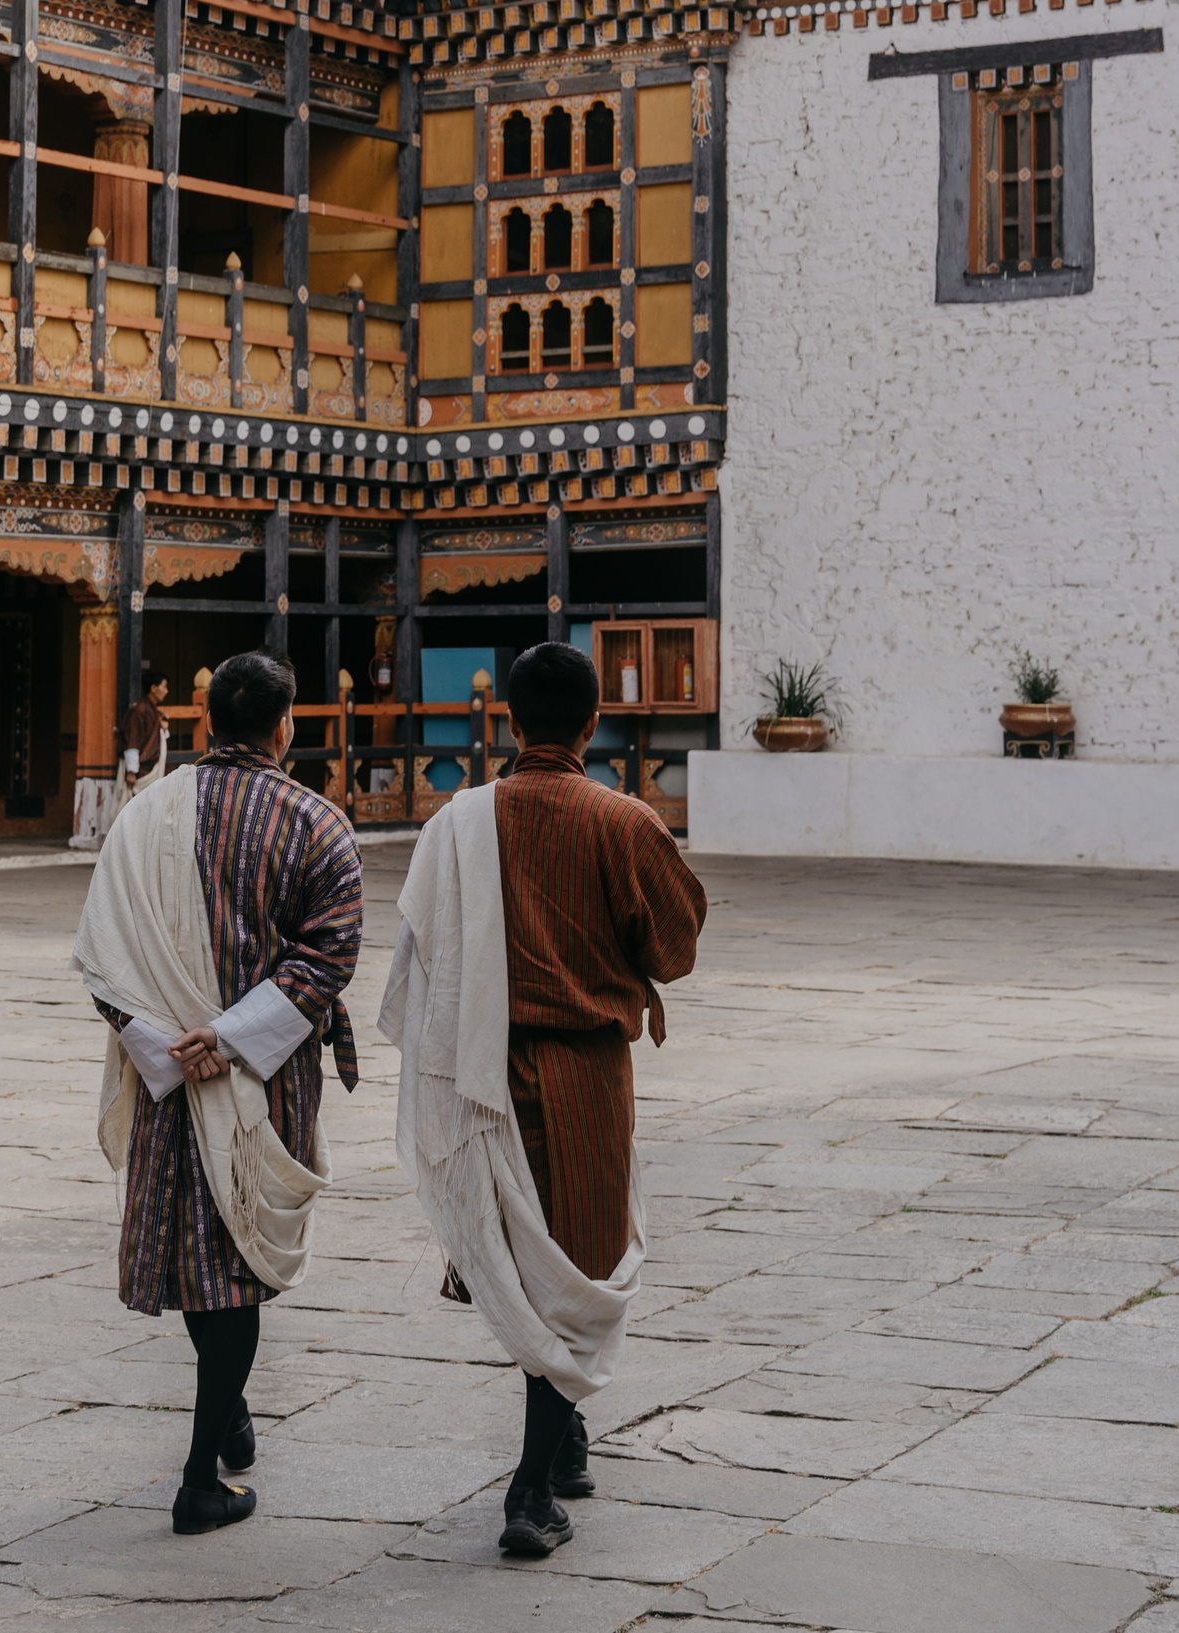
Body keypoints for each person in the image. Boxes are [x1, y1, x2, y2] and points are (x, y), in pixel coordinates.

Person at [380, 639, 707, 1560]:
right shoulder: (623, 821)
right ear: (593, 722)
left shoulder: (457, 822)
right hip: (584, 1078)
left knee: (524, 1263)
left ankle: (561, 1440)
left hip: (479, 1072)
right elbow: (676, 945)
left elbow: (419, 952)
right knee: (577, 1269)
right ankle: (529, 1492)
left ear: (511, 721)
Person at [72, 650, 363, 1536]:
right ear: (287, 723)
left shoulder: (142, 817)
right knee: (234, 1267)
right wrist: (232, 1038)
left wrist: (167, 1045)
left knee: (202, 1256)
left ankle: (227, 1412)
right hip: (260, 1079)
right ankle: (201, 1478)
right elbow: (329, 954)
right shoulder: (316, 822)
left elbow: (102, 952)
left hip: (170, 1074)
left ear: (206, 723)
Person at [113, 671, 171, 811]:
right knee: (134, 810)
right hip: (140, 771)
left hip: (149, 767)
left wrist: (163, 727)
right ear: (153, 688)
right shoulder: (139, 711)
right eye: (164, 687)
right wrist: (132, 772)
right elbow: (133, 741)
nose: (166, 691)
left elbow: (155, 738)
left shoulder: (153, 711)